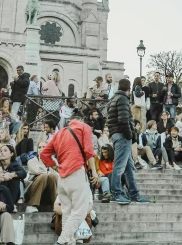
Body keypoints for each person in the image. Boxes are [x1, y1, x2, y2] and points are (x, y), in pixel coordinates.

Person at [40, 111, 101, 244]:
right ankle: (61, 241)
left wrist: (56, 167)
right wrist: (95, 172)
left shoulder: (60, 133)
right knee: (80, 211)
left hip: (62, 177)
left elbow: (44, 154)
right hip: (77, 173)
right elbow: (89, 151)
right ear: (81, 120)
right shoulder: (83, 127)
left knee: (67, 213)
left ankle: (70, 242)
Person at [106, 78, 149, 204]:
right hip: (122, 136)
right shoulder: (123, 98)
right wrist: (130, 135)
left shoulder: (113, 98)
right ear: (128, 89)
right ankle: (116, 194)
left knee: (129, 167)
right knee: (119, 166)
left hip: (116, 134)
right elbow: (124, 120)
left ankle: (134, 194)